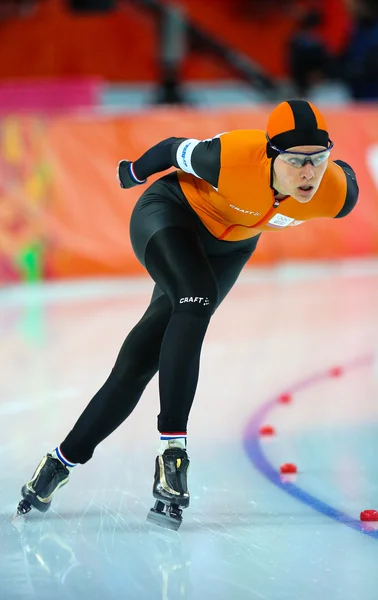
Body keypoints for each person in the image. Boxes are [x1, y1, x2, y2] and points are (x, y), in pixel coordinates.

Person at [17, 99, 359, 528]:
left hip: (229, 248)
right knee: (195, 297)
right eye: (295, 161)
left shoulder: (335, 192)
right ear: (271, 153)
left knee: (140, 362)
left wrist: (329, 169)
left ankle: (59, 462)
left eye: (319, 159)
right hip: (171, 215)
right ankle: (172, 451)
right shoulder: (230, 157)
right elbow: (169, 148)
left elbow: (342, 176)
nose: (309, 173)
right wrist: (133, 172)